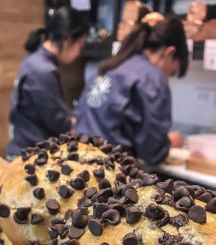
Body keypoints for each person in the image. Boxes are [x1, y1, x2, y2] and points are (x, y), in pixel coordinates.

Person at [75, 14, 188, 165]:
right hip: (112, 175)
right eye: (172, 72)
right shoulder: (153, 78)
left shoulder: (109, 66)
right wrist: (170, 143)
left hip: (77, 165)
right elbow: (151, 152)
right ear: (169, 53)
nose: (168, 77)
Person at [6, 7, 89, 158]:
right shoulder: (43, 70)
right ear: (67, 40)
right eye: (80, 46)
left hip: (22, 146)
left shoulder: (35, 60)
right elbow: (59, 122)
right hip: (30, 156)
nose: (79, 53)